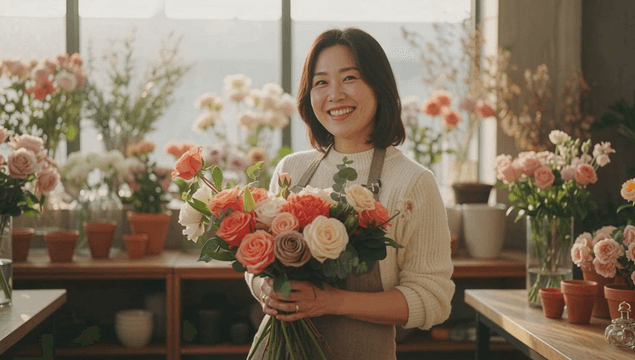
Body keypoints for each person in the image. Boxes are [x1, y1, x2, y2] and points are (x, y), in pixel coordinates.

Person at [245, 27, 455, 359]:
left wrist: (333, 302)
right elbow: (257, 268)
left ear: (379, 86)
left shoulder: (412, 181)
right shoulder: (292, 170)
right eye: (321, 82)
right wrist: (267, 289)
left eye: (350, 78)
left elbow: (433, 299)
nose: (335, 95)